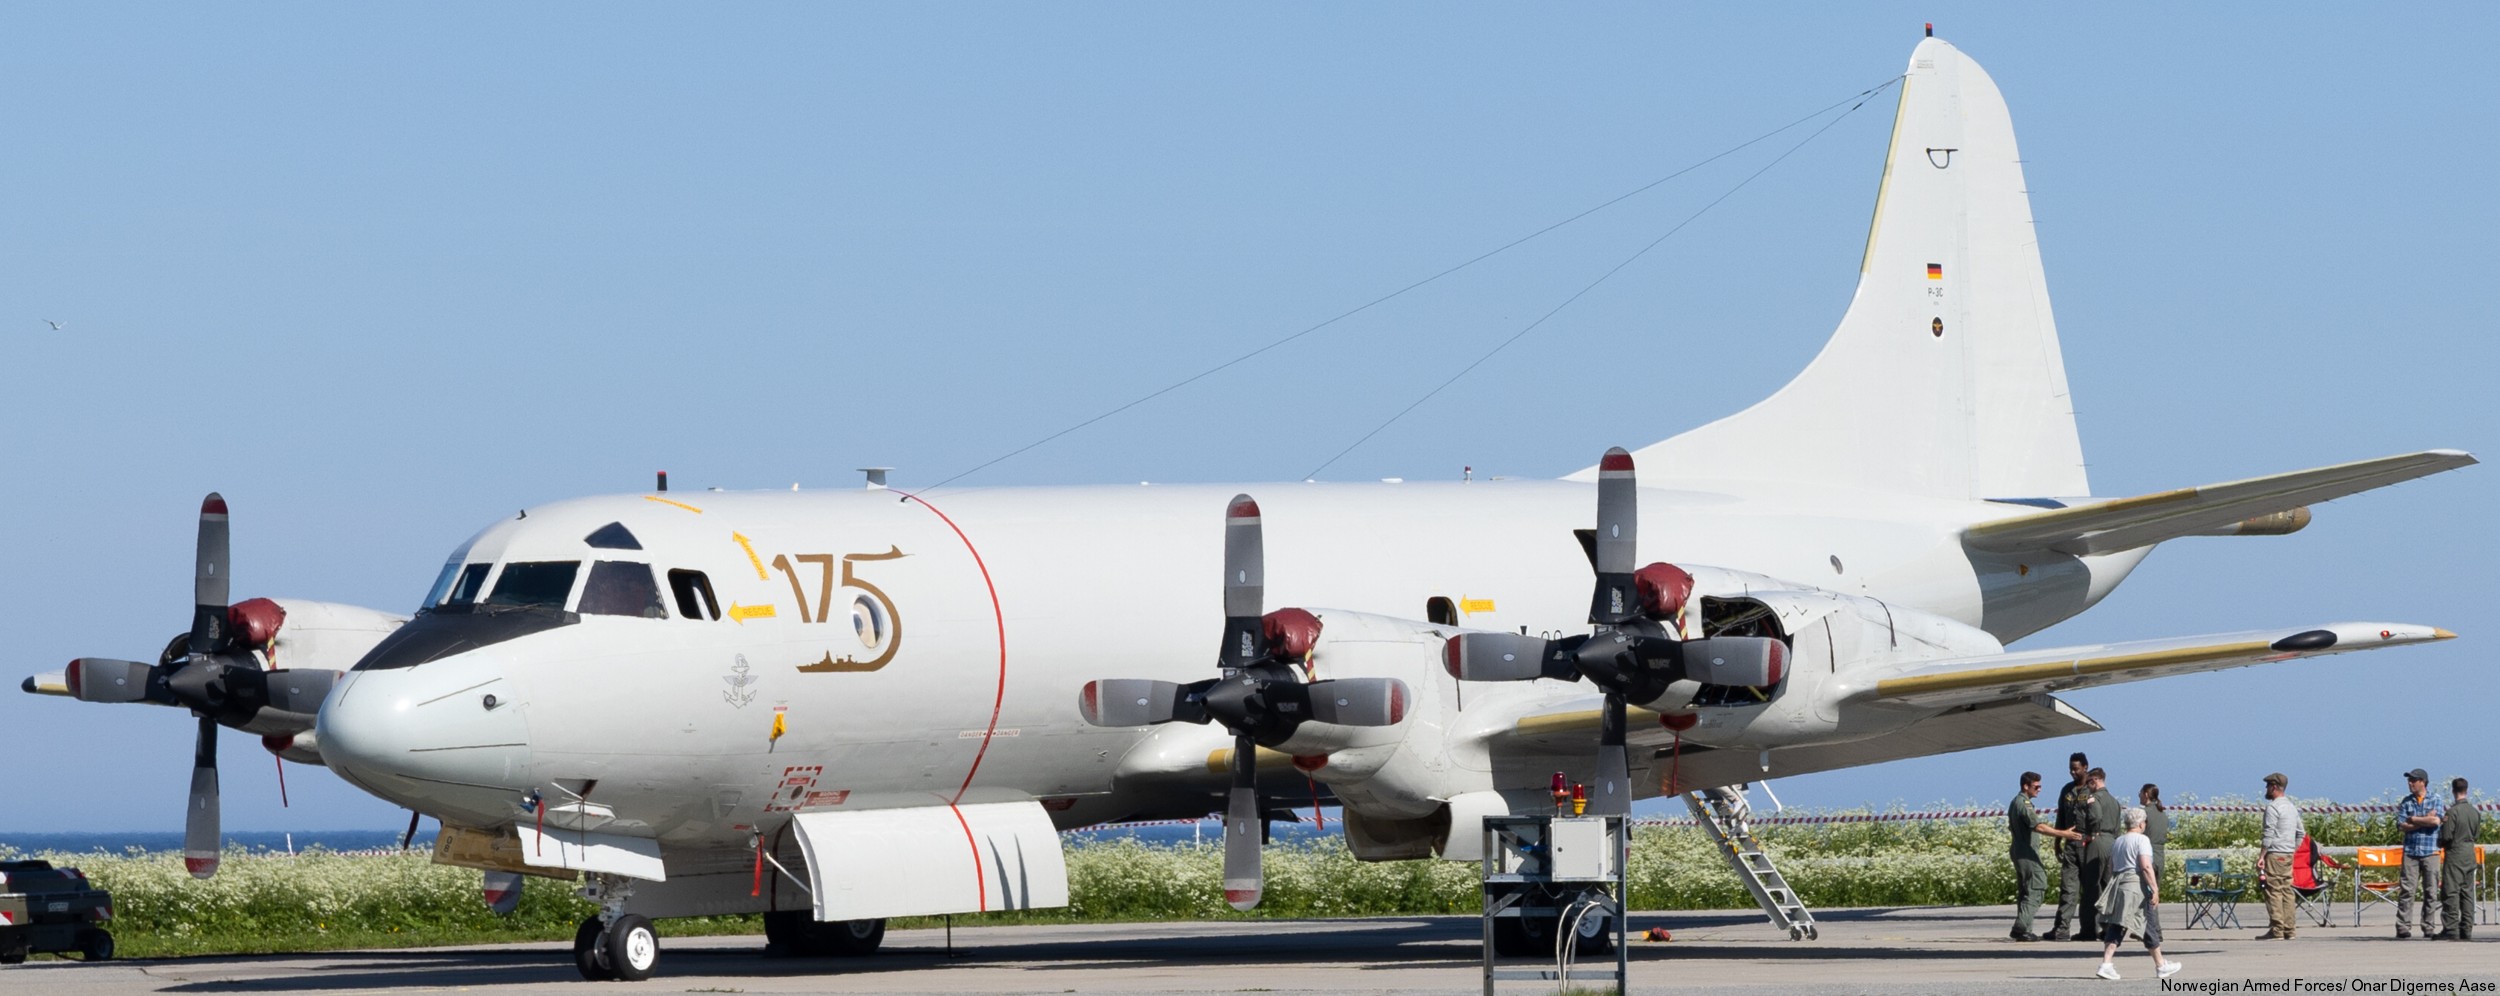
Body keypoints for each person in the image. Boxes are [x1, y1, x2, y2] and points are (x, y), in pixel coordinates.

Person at [2094, 807, 2183, 980]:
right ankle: (2108, 964)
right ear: (2142, 823)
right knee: (2140, 922)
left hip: (2119, 883)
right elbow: (2145, 866)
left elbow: (2111, 866)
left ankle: (2159, 964)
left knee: (2123, 924)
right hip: (2135, 886)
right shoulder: (2142, 840)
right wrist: (2154, 888)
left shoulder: (2118, 840)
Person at [2011, 771, 2078, 941]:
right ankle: (2020, 926)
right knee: (2037, 885)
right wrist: (2062, 834)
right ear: (2026, 786)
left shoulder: (2017, 802)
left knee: (2026, 890)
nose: (2039, 789)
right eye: (2036, 786)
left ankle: (2025, 928)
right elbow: (2038, 827)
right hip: (2026, 851)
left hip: (2020, 850)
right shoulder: (2023, 804)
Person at [2394, 767, 2444, 939]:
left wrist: (2414, 819)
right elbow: (2401, 825)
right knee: (2407, 890)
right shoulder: (2406, 801)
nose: (2410, 783)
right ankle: (2403, 926)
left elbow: (2436, 821)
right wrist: (2424, 820)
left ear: (2422, 782)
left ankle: (2428, 926)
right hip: (2411, 851)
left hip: (2431, 851)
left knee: (2431, 891)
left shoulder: (2436, 799)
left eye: (2413, 780)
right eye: (2409, 780)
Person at [2432, 777, 2480, 941]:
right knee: (2467, 892)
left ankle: (2451, 927)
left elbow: (2447, 836)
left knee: (2451, 890)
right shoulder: (2474, 812)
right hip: (2469, 852)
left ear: (2453, 791)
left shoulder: (2452, 812)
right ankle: (2466, 928)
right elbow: (2476, 834)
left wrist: (2439, 841)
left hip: (2455, 852)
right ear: (2466, 790)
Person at [2050, 752, 2092, 941]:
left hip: (2088, 845)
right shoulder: (2067, 790)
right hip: (2070, 845)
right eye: (2070, 769)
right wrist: (2057, 842)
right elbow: (2060, 818)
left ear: (2085, 767)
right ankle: (2061, 928)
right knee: (2068, 888)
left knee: (2090, 889)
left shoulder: (2093, 789)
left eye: (2076, 769)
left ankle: (2090, 929)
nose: (2073, 772)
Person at [2257, 772, 2302, 939]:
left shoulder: (2273, 807)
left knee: (2273, 891)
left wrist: (2262, 856)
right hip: (2288, 854)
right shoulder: (2291, 807)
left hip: (2275, 853)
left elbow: (2268, 834)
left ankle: (2277, 929)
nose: (2266, 789)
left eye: (2268, 786)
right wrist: (2292, 849)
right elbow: (2301, 833)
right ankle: (2290, 929)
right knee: (2287, 891)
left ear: (2274, 787)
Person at [2079, 768, 2122, 942]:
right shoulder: (2114, 801)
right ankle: (2109, 927)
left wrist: (2092, 832)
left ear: (2095, 781)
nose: (2087, 786)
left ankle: (2088, 929)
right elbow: (2118, 825)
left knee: (2091, 887)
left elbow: (2094, 817)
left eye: (2089, 782)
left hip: (2098, 841)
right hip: (2112, 841)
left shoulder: (2094, 799)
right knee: (2108, 887)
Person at [2140, 784, 2170, 875]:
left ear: (2145, 795)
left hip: (2147, 855)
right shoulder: (2163, 814)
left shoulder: (2143, 813)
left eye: (2140, 794)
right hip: (2160, 856)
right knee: (2156, 887)